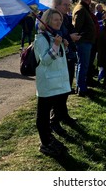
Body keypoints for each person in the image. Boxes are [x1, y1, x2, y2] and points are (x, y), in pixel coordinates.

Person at [34, 9, 70, 157]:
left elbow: (59, 60)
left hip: (58, 84)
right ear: (47, 21)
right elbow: (46, 60)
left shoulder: (55, 36)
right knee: (43, 115)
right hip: (47, 84)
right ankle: (45, 143)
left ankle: (49, 138)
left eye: (60, 20)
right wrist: (56, 45)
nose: (59, 22)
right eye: (55, 19)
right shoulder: (41, 38)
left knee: (51, 112)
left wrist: (64, 46)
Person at [51, 0, 81, 135]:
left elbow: (69, 32)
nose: (68, 7)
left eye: (69, 5)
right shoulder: (53, 19)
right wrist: (70, 37)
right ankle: (54, 120)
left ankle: (64, 115)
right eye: (65, 5)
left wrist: (74, 34)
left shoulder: (67, 19)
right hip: (59, 60)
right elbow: (54, 37)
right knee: (58, 91)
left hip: (69, 57)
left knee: (66, 89)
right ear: (57, 5)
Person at [72, 0, 96, 97]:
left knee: (81, 65)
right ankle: (82, 88)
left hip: (85, 41)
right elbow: (77, 26)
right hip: (83, 42)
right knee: (83, 65)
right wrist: (83, 34)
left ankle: (80, 86)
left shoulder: (82, 8)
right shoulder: (81, 9)